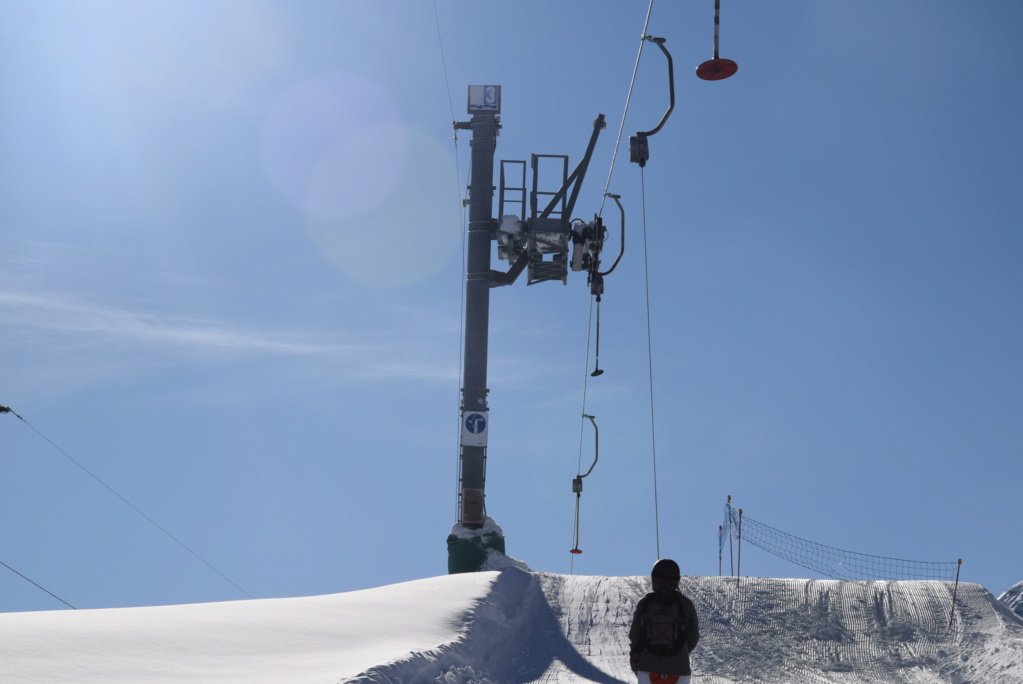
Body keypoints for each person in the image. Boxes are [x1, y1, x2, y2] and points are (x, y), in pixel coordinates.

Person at [628, 558, 700, 684]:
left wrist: (636, 665)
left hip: (648, 668)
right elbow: (693, 637)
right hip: (679, 669)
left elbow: (635, 636)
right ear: (677, 579)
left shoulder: (645, 603)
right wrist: (679, 651)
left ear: (653, 578)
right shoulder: (685, 604)